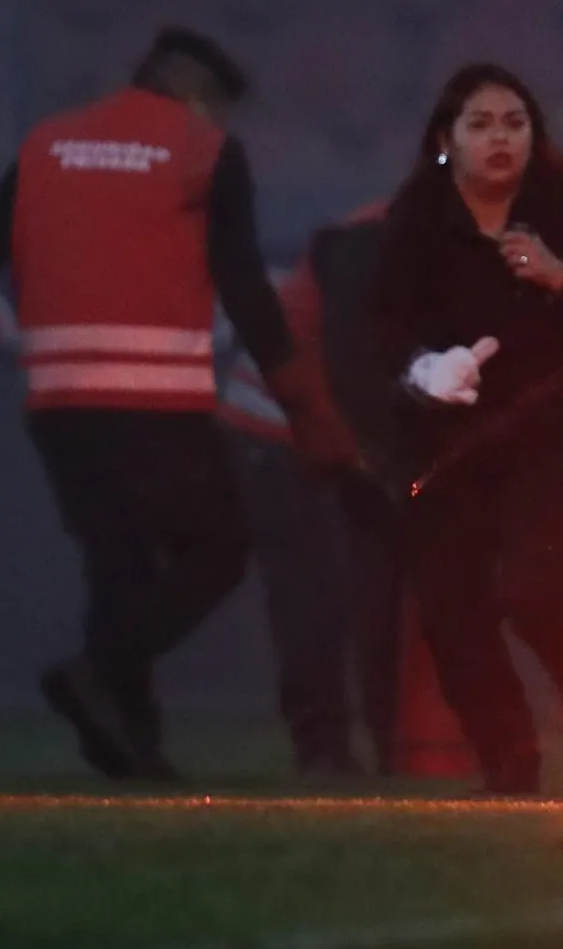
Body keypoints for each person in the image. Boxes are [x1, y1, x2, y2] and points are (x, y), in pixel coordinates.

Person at [0, 26, 358, 779]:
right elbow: (246, 291)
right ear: (200, 98)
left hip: (57, 402)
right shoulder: (205, 151)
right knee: (218, 552)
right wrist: (305, 409)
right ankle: (97, 673)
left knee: (117, 567)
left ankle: (133, 749)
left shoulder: (47, 145)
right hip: (154, 398)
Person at [369, 63, 563, 795]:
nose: (500, 139)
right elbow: (379, 329)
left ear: (535, 134)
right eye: (482, 125)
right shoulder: (416, 216)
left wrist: (560, 276)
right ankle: (509, 760)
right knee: (451, 607)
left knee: (535, 583)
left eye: (515, 124)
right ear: (446, 140)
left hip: (553, 429)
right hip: (447, 438)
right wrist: (424, 369)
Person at [216, 201, 402, 779]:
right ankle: (325, 749)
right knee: (317, 593)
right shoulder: (376, 238)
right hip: (282, 425)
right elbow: (348, 357)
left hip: (336, 427)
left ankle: (388, 747)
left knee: (375, 594)